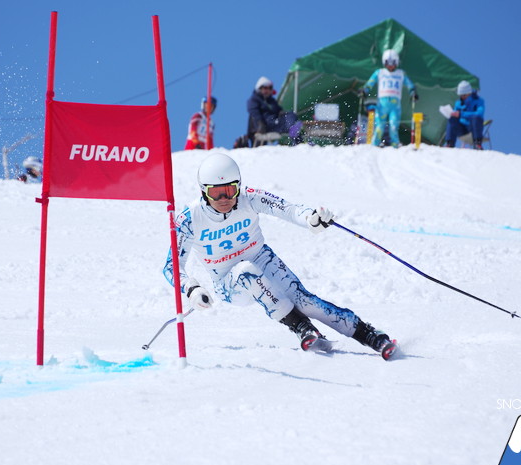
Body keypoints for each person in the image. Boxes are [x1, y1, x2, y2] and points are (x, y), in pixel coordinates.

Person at [162, 153, 398, 360]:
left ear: (239, 186)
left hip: (262, 260)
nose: (224, 199)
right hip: (228, 283)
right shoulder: (189, 218)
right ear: (203, 192)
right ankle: (300, 327)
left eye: (230, 190)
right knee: (245, 273)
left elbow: (288, 208)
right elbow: (171, 266)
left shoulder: (249, 197)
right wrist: (191, 288)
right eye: (215, 193)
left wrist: (310, 218)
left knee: (305, 301)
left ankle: (368, 334)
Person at [359, 50, 417, 148]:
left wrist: (413, 92)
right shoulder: (379, 72)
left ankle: (395, 144)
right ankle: (375, 144)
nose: (390, 66)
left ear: (397, 62)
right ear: (384, 63)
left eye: (393, 63)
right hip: (382, 103)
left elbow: (409, 84)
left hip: (395, 105)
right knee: (379, 125)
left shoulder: (401, 73)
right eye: (387, 63)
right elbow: (370, 82)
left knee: (394, 125)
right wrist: (365, 90)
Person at [247, 77, 303, 146]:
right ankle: (295, 133)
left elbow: (278, 110)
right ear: (260, 89)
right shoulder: (254, 100)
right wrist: (260, 123)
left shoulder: (271, 101)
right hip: (265, 124)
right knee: (287, 123)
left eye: (270, 88)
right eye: (265, 88)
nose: (267, 90)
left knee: (291, 114)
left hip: (275, 122)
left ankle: (295, 131)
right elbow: (254, 112)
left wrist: (282, 113)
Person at [444, 80, 485, 150]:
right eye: (461, 95)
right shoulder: (458, 103)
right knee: (452, 118)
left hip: (473, 128)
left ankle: (477, 144)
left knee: (476, 117)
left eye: (464, 95)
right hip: (461, 128)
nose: (462, 97)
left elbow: (479, 113)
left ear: (469, 93)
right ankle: (450, 143)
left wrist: (461, 114)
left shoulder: (479, 101)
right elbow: (456, 114)